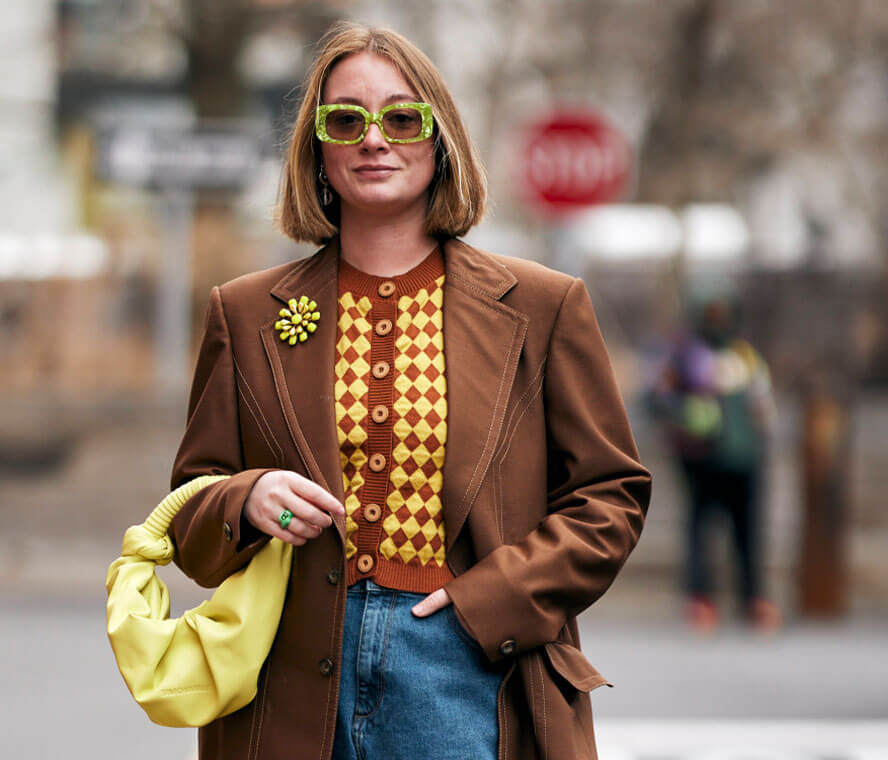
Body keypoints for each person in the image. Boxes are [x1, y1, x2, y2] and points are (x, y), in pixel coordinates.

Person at [167, 20, 651, 760]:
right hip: (286, 682)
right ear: (317, 149)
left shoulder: (543, 306)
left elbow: (610, 497)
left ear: (440, 138)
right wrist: (247, 496)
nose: (373, 138)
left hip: (468, 670)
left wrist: (482, 607)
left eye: (401, 116)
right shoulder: (243, 311)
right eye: (346, 118)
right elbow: (189, 514)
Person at [647, 296, 780, 633]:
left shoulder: (746, 357)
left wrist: (760, 434)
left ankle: (753, 599)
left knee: (747, 532)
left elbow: (763, 405)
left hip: (744, 460)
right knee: (698, 530)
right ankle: (700, 599)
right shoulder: (686, 356)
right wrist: (686, 417)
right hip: (701, 461)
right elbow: (657, 399)